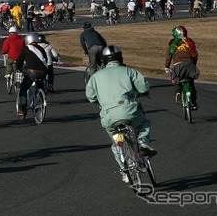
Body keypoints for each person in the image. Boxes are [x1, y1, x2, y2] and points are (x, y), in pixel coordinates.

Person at [85, 45, 156, 183]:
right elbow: (143, 87)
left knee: (116, 142)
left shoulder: (95, 76)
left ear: (104, 61)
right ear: (120, 58)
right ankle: (143, 142)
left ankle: (125, 172)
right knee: (144, 123)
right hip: (129, 110)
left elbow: (90, 96)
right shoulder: (129, 71)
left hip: (109, 116)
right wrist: (144, 92)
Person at [165, 25, 200, 109]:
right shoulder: (190, 42)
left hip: (178, 65)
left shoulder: (172, 44)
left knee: (177, 80)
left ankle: (178, 93)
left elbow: (168, 56)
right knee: (191, 83)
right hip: (189, 64)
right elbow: (195, 55)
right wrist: (193, 64)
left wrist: (167, 66)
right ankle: (194, 102)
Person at [15, 32, 48, 117]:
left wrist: (18, 68)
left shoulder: (26, 48)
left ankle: (22, 108)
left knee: (23, 88)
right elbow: (46, 60)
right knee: (40, 85)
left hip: (32, 73)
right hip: (43, 72)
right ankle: (42, 96)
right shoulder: (41, 48)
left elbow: (19, 60)